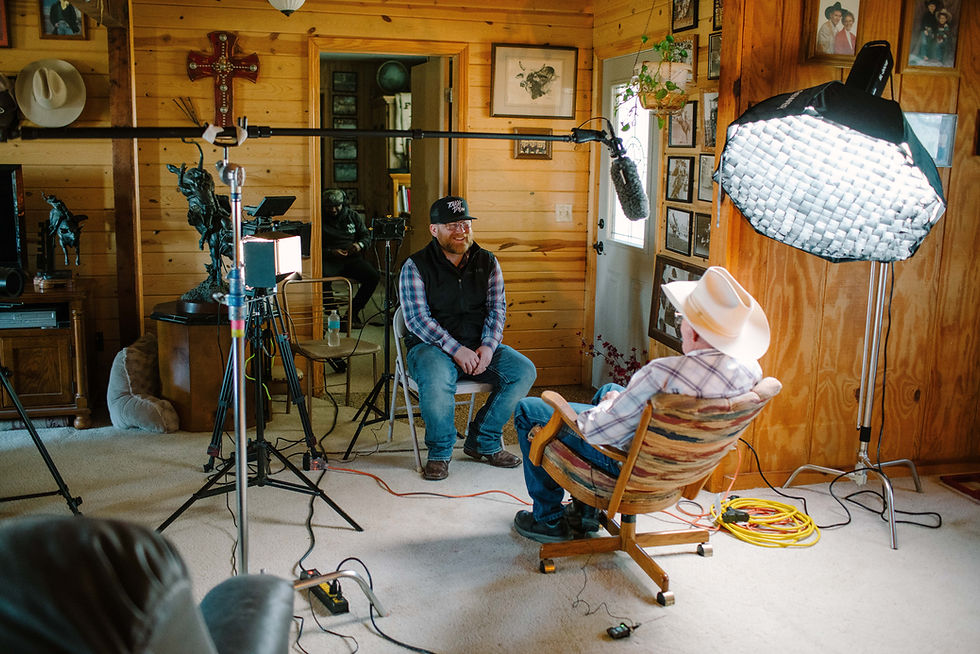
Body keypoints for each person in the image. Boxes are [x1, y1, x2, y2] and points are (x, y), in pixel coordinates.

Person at [512, 267, 770, 543]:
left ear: (693, 333)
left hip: (629, 469)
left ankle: (548, 520)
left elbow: (594, 431)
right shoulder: (751, 372)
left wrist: (607, 407)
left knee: (528, 410)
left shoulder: (662, 375)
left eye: (681, 318)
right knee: (611, 390)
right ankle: (584, 513)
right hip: (681, 469)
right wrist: (614, 400)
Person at [399, 196, 537, 481]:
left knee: (523, 370)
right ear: (434, 230)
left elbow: (497, 309)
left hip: (478, 344)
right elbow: (417, 320)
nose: (460, 231)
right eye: (451, 225)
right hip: (431, 347)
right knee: (437, 379)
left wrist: (488, 345)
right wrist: (457, 350)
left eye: (464, 224)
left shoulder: (487, 261)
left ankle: (483, 440)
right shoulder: (415, 266)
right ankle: (439, 452)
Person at [321, 189, 380, 328]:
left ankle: (352, 313)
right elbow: (313, 245)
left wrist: (358, 245)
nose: (334, 209)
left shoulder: (353, 216)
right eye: (329, 206)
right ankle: (332, 313)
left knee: (373, 276)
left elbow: (366, 236)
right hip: (329, 259)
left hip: (352, 258)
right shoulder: (320, 218)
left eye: (337, 205)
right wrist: (331, 252)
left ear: (343, 204)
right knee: (320, 278)